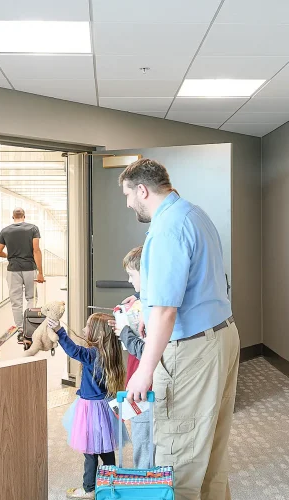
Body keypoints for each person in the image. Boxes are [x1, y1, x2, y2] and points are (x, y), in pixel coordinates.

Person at [119, 158, 240, 500]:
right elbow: (187, 286)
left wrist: (144, 370)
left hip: (192, 350)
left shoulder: (167, 226)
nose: (129, 203)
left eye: (128, 194)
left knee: (179, 454)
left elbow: (169, 311)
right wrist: (150, 309)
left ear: (142, 190)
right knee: (211, 448)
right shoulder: (193, 213)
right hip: (221, 335)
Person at [48, 312, 129, 500]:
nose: (84, 330)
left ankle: (89, 489)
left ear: (98, 335)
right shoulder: (109, 354)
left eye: (87, 327)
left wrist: (60, 331)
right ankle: (111, 483)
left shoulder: (92, 354)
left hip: (91, 410)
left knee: (90, 452)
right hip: (104, 408)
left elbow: (74, 351)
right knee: (106, 449)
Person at [113, 245, 155, 470]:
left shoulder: (155, 310)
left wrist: (125, 332)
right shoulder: (144, 303)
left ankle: (147, 486)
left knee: (144, 444)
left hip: (145, 388)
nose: (129, 281)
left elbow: (145, 351)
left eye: (132, 275)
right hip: (139, 382)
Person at [0, 207, 45, 343]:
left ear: (13, 217)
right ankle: (30, 327)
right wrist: (40, 273)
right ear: (24, 216)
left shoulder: (5, 231)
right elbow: (36, 250)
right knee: (31, 298)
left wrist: (10, 256)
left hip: (13, 270)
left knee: (16, 301)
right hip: (30, 268)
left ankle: (20, 330)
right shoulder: (33, 228)